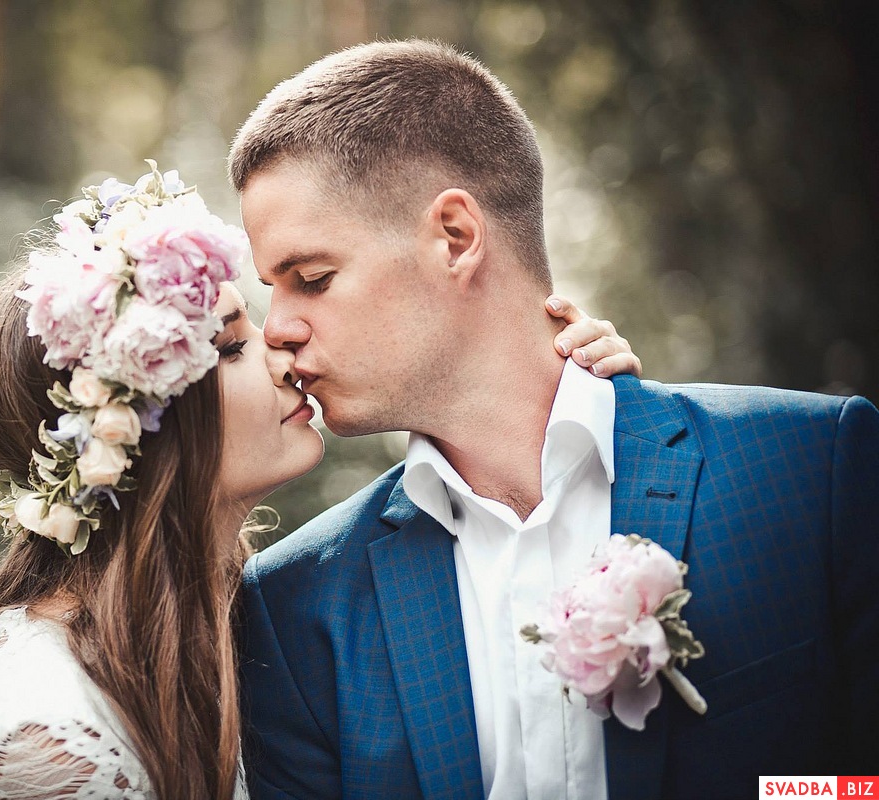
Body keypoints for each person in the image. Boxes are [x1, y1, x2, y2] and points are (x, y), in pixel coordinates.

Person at [231, 40, 879, 800]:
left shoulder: (811, 469)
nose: (275, 327)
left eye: (311, 279)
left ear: (455, 238)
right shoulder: (296, 605)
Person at [0, 164, 636, 800]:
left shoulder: (231, 621)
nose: (282, 352)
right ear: (136, 431)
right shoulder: (45, 741)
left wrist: (584, 411)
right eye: (229, 347)